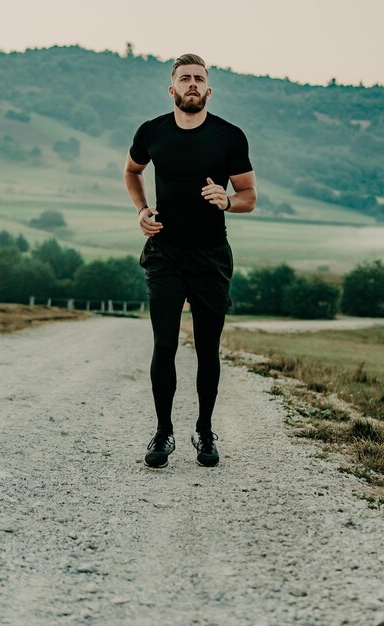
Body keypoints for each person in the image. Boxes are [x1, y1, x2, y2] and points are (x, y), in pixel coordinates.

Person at [124, 53, 257, 469]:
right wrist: (142, 210)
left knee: (207, 349)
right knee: (164, 344)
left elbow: (249, 197)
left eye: (200, 78)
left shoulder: (230, 137)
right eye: (185, 78)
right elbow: (132, 172)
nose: (193, 84)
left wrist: (228, 200)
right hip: (164, 251)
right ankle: (164, 433)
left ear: (209, 90)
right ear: (172, 89)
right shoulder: (152, 132)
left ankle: (204, 431)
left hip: (210, 255)